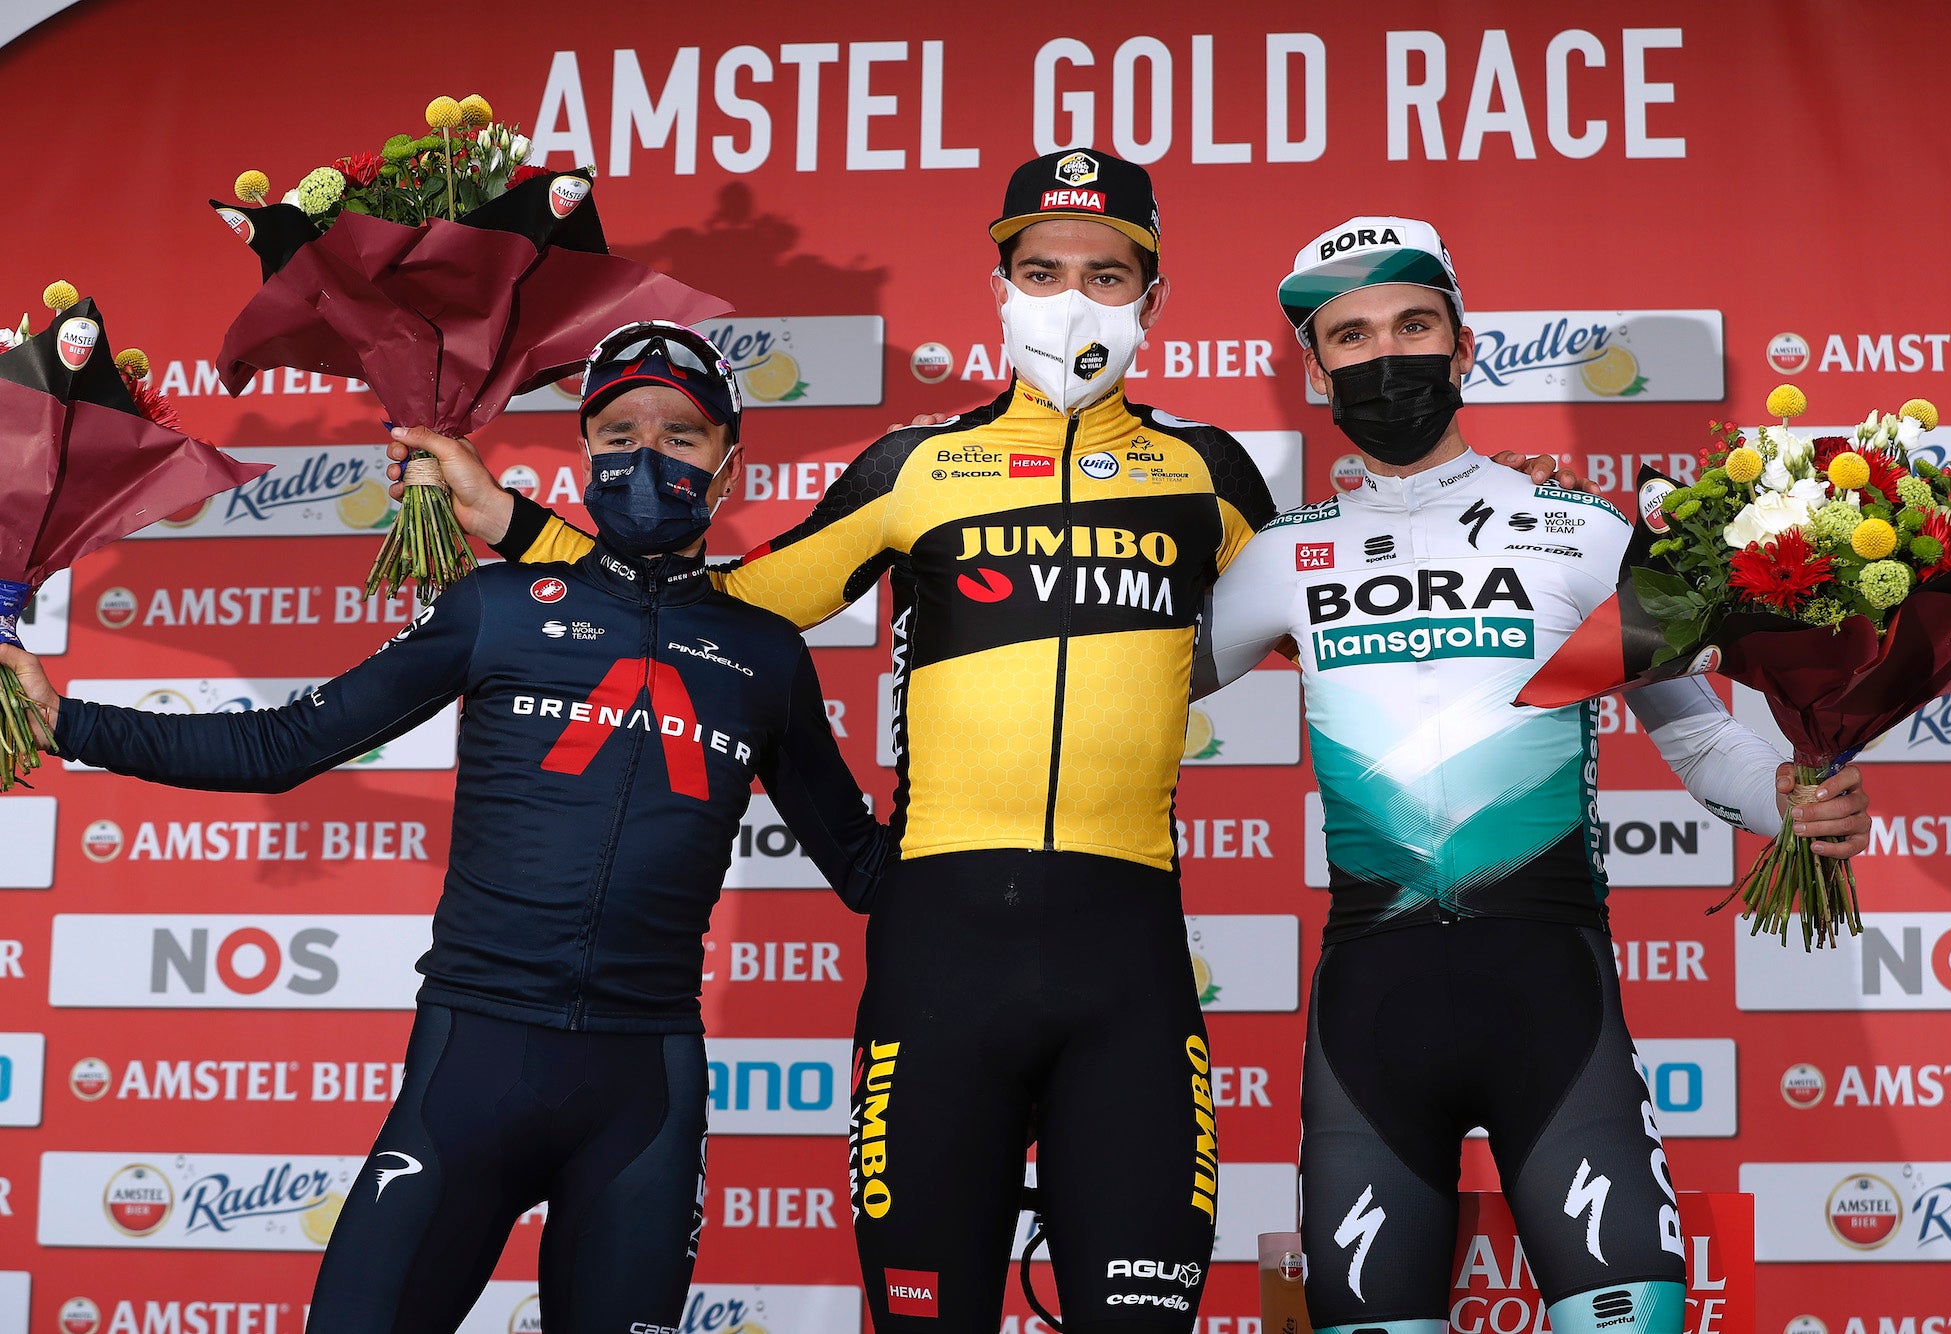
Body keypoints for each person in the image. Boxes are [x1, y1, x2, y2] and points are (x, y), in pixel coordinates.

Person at [400, 160, 1596, 1333]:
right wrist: (513, 523)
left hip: (1123, 964)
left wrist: (1483, 512)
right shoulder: (912, 466)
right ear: (1000, 286)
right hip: (938, 959)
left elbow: (1353, 608)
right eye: (1040, 269)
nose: (1069, 296)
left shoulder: (1212, 475)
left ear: (1152, 299)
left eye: (1103, 272)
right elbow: (717, 603)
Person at [0, 321, 888, 1334]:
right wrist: (64, 718)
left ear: (731, 461)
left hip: (642, 1091)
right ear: (584, 449)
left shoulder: (765, 654)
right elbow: (282, 745)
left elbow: (862, 864)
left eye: (680, 434)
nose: (646, 453)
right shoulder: (495, 604)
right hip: (471, 1066)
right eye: (617, 429)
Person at [1194, 217, 1871, 1334]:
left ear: (1464, 351)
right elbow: (1122, 701)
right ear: (1313, 373)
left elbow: (1697, 738)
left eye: (1413, 325)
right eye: (1349, 336)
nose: (1385, 355)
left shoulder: (1575, 530)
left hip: (1552, 1006)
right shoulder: (1276, 557)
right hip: (1372, 1013)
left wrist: (1787, 800)